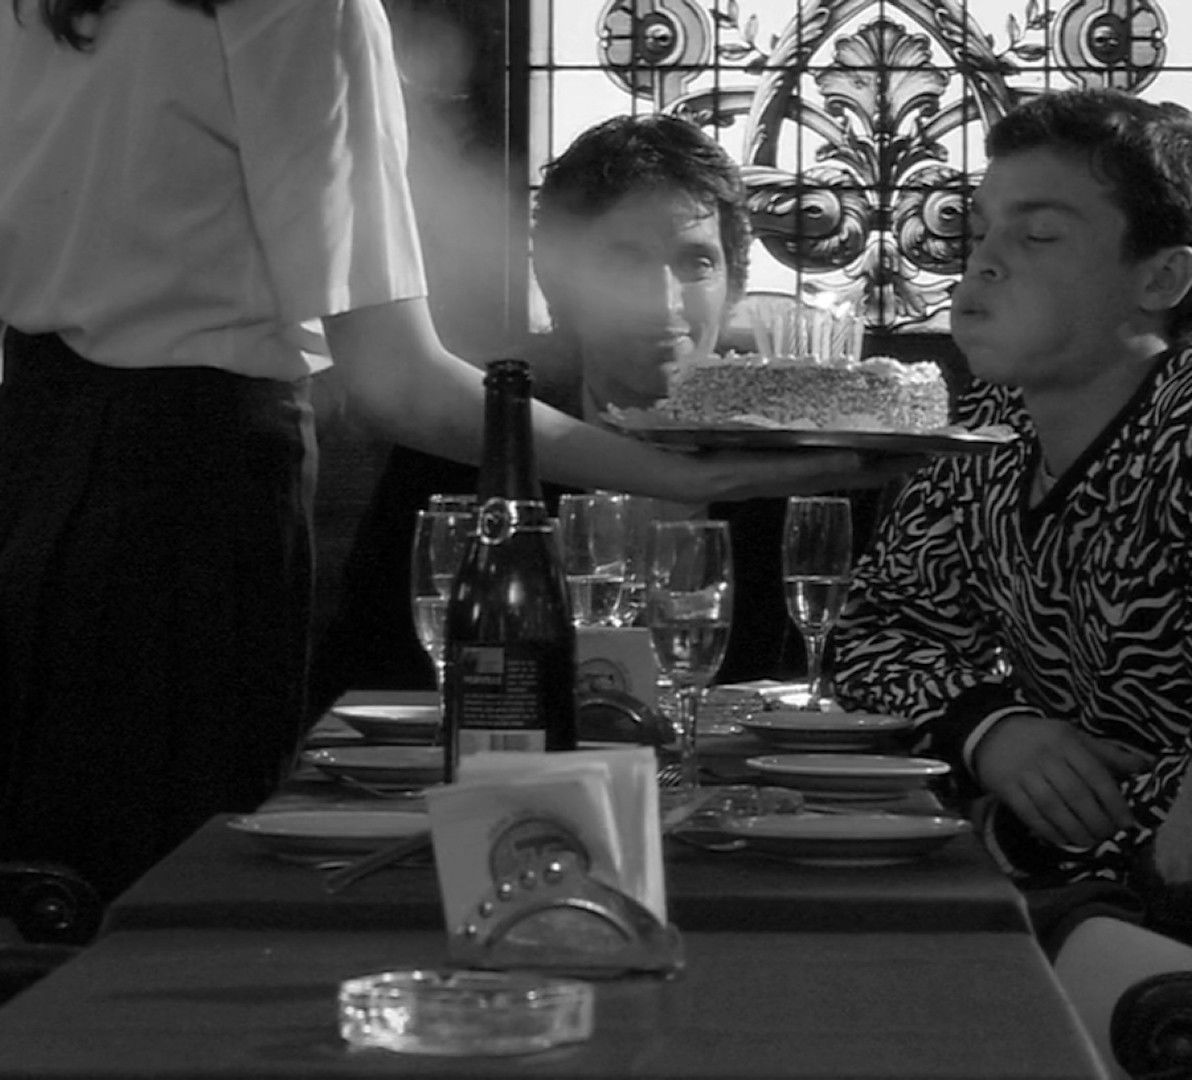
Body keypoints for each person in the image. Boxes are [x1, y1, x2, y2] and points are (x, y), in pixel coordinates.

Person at [0, 0, 902, 900]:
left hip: (36, 458)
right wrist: (689, 473)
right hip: (187, 486)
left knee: (66, 879)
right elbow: (398, 383)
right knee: (180, 886)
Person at [829, 87, 1192, 895]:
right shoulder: (994, 419)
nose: (983, 262)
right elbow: (872, 633)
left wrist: (1008, 837)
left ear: (1162, 277)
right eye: (979, 231)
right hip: (1056, 871)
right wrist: (990, 731)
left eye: (1037, 235)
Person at [309, 113, 850, 706]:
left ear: (733, 284)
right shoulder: (473, 443)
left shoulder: (805, 461)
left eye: (696, 263)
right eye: (625, 261)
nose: (662, 301)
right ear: (560, 280)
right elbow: (375, 665)